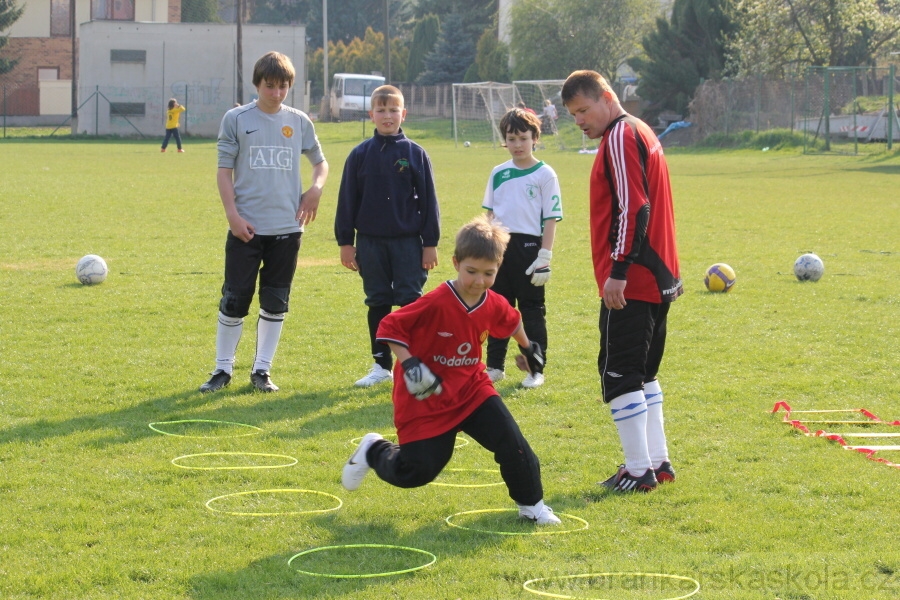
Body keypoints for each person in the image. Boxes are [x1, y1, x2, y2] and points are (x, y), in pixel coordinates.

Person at [341, 214, 560, 525]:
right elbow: (390, 325)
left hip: (472, 390)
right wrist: (411, 363)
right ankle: (374, 449)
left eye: (489, 273)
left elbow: (512, 320)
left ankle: (533, 507)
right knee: (415, 472)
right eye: (471, 271)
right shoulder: (436, 302)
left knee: (514, 445)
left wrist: (527, 348)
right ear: (456, 263)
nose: (479, 281)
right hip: (428, 398)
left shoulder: (492, 301)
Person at [561, 70, 682, 492]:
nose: (579, 120)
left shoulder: (619, 136)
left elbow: (635, 208)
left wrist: (618, 272)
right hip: (657, 275)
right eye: (573, 114)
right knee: (644, 374)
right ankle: (657, 461)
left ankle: (637, 470)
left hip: (633, 279)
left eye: (583, 109)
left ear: (607, 97)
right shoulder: (642, 130)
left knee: (620, 373)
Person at [199, 51, 329, 393]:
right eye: (269, 86)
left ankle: (261, 371)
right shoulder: (236, 119)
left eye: (283, 86)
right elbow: (224, 171)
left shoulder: (299, 121)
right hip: (246, 229)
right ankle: (221, 370)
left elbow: (321, 163)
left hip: (287, 229)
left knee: (275, 300)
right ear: (257, 84)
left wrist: (315, 189)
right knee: (234, 299)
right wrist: (233, 216)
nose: (276, 93)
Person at [334, 85, 440, 388]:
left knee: (410, 302)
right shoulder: (359, 155)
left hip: (409, 243)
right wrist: (345, 242)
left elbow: (430, 201)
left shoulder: (415, 154)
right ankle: (380, 364)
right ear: (371, 115)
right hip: (370, 243)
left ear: (403, 113)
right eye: (381, 110)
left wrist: (429, 243)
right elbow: (347, 200)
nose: (387, 115)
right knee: (378, 301)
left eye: (393, 110)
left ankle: (413, 364)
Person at [482, 107, 562, 388]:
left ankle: (535, 369)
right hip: (500, 248)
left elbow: (551, 217)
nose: (517, 145)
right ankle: (494, 367)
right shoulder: (499, 173)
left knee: (531, 310)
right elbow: (489, 215)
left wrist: (545, 256)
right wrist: (485, 250)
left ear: (535, 138)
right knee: (498, 308)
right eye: (511, 138)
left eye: (523, 138)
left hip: (530, 248)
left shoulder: (545, 174)